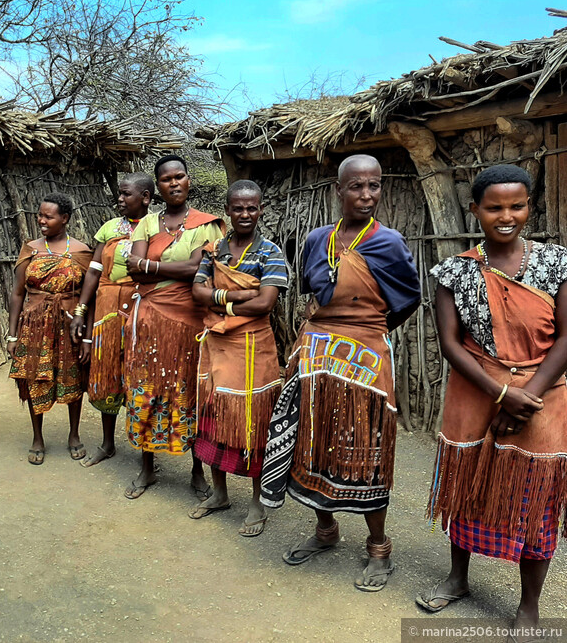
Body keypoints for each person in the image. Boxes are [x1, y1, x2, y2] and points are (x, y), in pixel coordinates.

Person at [417, 165, 567, 631]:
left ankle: (528, 605)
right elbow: (450, 344)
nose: (506, 216)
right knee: (468, 488)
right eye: (494, 207)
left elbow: (566, 338)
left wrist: (526, 397)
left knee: (535, 501)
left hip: (543, 397)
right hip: (477, 393)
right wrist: (502, 393)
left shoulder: (557, 262)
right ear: (474, 209)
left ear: (529, 207)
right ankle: (457, 578)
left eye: (517, 205)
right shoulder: (455, 270)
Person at [260, 154, 420, 591]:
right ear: (338, 190)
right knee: (314, 440)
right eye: (356, 187)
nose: (366, 195)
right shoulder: (317, 238)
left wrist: (365, 331)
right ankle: (325, 530)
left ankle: (378, 547)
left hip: (364, 355)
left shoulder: (388, 242)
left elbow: (407, 299)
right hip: (316, 351)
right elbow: (314, 290)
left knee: (367, 445)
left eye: (374, 185)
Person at [123, 155, 225, 500]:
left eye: (180, 176)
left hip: (190, 324)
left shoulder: (207, 225)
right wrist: (169, 267)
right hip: (150, 321)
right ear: (158, 186)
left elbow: (198, 271)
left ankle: (197, 472)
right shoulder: (148, 224)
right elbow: (132, 270)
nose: (174, 183)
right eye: (166, 179)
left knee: (190, 393)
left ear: (189, 181)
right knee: (145, 390)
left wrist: (149, 264)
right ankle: (147, 466)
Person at [190, 180, 288, 536]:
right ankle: (219, 493)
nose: (245, 214)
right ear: (228, 210)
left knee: (252, 425)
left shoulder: (271, 253)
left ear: (260, 209)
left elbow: (265, 302)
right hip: (216, 345)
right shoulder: (214, 248)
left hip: (252, 350)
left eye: (252, 208)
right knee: (214, 417)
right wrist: (234, 296)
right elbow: (196, 292)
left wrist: (221, 300)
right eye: (238, 208)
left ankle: (257, 503)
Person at [71, 173, 153, 467]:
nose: (119, 199)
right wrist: (81, 311)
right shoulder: (108, 229)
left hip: (141, 309)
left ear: (144, 197)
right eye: (119, 194)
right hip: (107, 308)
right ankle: (107, 443)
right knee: (108, 374)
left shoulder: (156, 228)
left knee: (141, 376)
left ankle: (146, 451)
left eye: (125, 194)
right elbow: (93, 272)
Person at [7, 193, 93, 465]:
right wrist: (12, 333)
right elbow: (18, 293)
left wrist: (87, 335)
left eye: (48, 216)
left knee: (74, 377)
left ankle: (74, 434)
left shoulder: (81, 252)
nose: (41, 220)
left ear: (65, 219)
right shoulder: (30, 249)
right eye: (40, 215)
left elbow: (89, 297)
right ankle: (37, 437)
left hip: (69, 325)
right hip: (34, 325)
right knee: (35, 378)